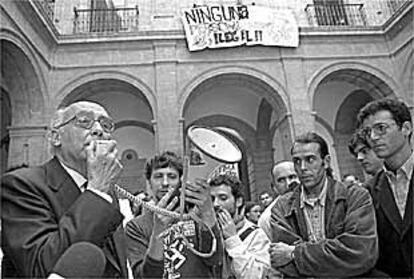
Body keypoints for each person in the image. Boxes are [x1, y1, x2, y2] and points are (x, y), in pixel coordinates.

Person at [1, 101, 128, 278]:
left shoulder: (105, 192)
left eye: (106, 125)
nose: (98, 130)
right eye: (84, 121)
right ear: (55, 137)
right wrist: (97, 190)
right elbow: (41, 267)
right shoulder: (21, 185)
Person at [269, 132, 378, 277]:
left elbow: (361, 254)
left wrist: (295, 253)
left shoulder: (355, 196)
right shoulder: (282, 207)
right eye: (296, 161)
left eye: (310, 159)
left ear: (326, 162)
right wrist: (333, 257)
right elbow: (282, 261)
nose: (302, 167)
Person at [125, 151, 223, 278]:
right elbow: (145, 276)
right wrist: (158, 231)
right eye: (158, 176)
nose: (165, 183)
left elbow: (215, 260)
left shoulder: (197, 217)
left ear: (180, 181)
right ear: (149, 182)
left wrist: (208, 213)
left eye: (171, 176)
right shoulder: (135, 226)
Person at [357, 98, 413, 277]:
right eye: (368, 131)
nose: (373, 137)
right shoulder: (368, 191)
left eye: (381, 128)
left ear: (406, 128)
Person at [210, 174, 270, 279]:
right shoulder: (207, 232)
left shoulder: (256, 235)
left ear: (238, 201)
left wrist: (232, 240)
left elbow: (255, 276)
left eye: (223, 198)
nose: (216, 204)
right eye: (212, 199)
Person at [258, 161, 299, 239]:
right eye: (281, 180)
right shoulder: (266, 219)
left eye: (292, 177)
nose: (288, 183)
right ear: (274, 187)